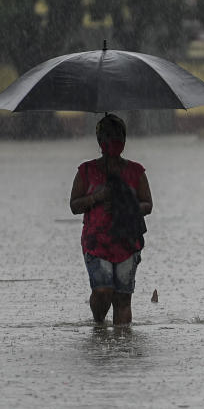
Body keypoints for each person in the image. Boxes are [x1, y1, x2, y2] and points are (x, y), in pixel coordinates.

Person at [69, 113, 152, 326]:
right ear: (99, 141)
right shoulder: (86, 171)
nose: (113, 142)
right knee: (103, 290)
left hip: (127, 240)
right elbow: (74, 206)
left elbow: (147, 204)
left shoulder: (136, 171)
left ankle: (122, 347)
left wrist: (126, 206)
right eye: (108, 136)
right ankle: (98, 326)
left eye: (118, 137)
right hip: (96, 242)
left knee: (123, 297)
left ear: (124, 140)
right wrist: (98, 197)